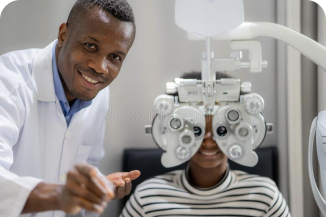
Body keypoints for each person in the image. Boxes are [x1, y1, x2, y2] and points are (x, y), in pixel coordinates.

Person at [0, 0, 141, 216]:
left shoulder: (98, 93)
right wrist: (59, 195)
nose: (100, 67)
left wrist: (96, 186)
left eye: (115, 57)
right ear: (64, 35)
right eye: (90, 46)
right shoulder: (8, 82)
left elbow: (89, 161)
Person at [121, 72, 291, 217]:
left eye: (221, 130)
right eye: (197, 130)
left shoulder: (264, 197)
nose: (209, 141)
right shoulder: (146, 197)